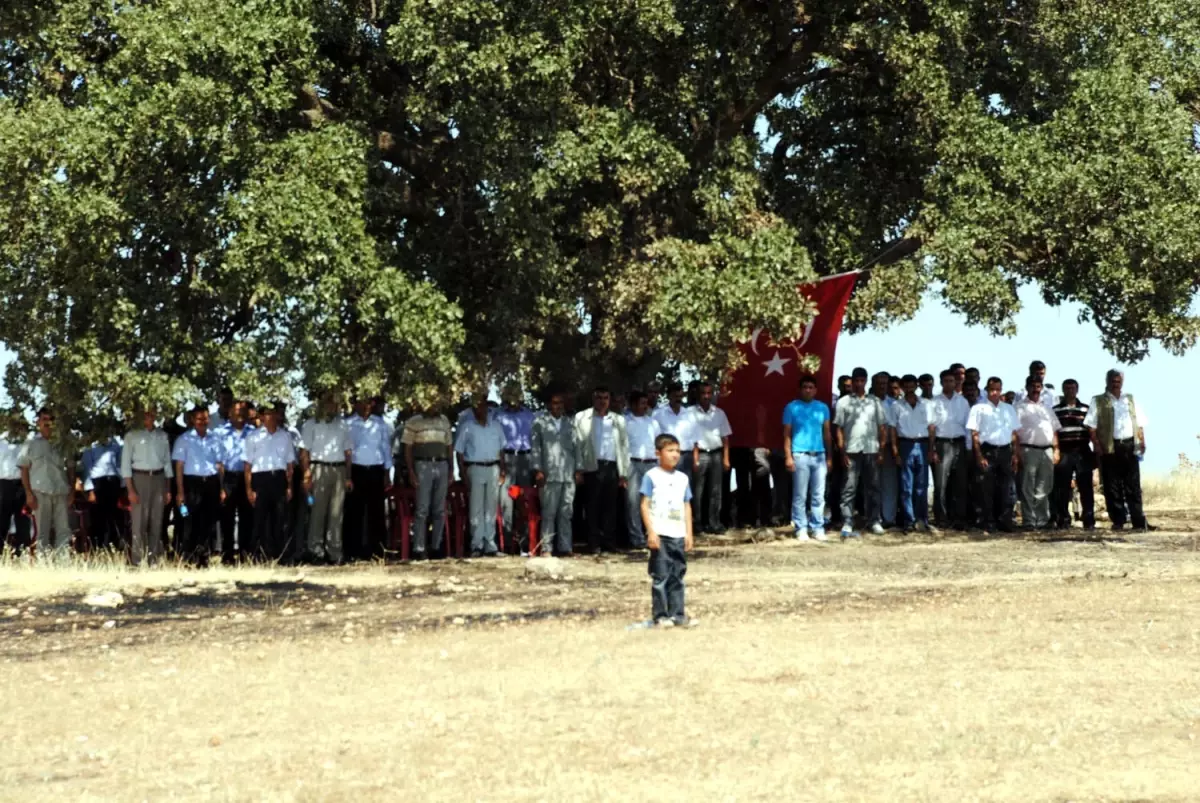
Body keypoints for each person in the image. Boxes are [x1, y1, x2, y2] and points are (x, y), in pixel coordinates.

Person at [1084, 369, 1153, 532]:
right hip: (1110, 446)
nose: (1116, 384)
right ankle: (1118, 520)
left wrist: (1142, 441)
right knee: (1112, 486)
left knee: (1133, 485)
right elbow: (1091, 426)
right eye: (1113, 381)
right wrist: (1097, 445)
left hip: (1129, 445)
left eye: (1118, 381)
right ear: (1107, 382)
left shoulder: (1130, 399)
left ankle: (1138, 521)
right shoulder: (1098, 401)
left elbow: (1140, 422)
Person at [640, 433, 695, 627]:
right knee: (660, 575)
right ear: (658, 453)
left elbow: (686, 505)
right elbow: (644, 505)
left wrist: (689, 532)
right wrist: (651, 532)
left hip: (678, 533)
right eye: (670, 450)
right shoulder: (651, 476)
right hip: (660, 533)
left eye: (678, 451)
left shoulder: (682, 478)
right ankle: (661, 615)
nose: (675, 455)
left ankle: (677, 614)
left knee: (677, 575)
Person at [573, 386, 631, 554]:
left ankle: (609, 542)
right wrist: (579, 469)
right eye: (599, 398)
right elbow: (577, 445)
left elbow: (624, 446)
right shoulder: (582, 417)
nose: (602, 401)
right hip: (592, 466)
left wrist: (623, 472)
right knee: (592, 507)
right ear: (593, 398)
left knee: (610, 507)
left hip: (612, 466)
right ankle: (593, 543)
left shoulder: (618, 420)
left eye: (605, 398)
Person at [298, 392, 353, 564]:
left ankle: (335, 551)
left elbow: (348, 452)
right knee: (318, 511)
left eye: (335, 404)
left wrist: (348, 476)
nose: (332, 407)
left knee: (336, 513)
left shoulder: (343, 425)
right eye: (329, 403)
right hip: (318, 467)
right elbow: (304, 452)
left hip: (339, 468)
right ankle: (316, 550)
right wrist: (307, 475)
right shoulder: (311, 424)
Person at [833, 367, 887, 538]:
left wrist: (881, 450)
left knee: (873, 487)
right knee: (849, 488)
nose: (858, 383)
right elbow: (839, 429)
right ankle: (848, 521)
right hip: (851, 450)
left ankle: (874, 521)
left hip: (871, 449)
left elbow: (882, 427)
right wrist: (842, 452)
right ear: (852, 381)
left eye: (861, 380)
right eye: (855, 380)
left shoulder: (874, 402)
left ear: (866, 381)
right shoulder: (844, 402)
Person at [171, 407, 226, 566]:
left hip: (211, 482)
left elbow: (220, 464)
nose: (203, 422)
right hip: (191, 483)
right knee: (190, 521)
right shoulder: (184, 439)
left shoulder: (215, 439)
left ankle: (204, 557)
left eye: (206, 419)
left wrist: (222, 488)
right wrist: (180, 491)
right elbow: (179, 466)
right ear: (192, 420)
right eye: (199, 419)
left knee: (208, 522)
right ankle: (188, 556)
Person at [18, 408, 73, 562]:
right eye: (44, 419)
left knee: (63, 530)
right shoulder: (30, 443)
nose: (47, 422)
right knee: (42, 530)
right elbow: (24, 469)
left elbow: (71, 467)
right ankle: (43, 563)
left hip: (61, 491)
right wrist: (28, 494)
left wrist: (72, 491)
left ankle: (64, 563)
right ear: (38, 422)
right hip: (39, 492)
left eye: (51, 419)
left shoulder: (62, 443)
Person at [455, 393, 507, 556]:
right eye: (478, 406)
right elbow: (459, 452)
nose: (482, 409)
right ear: (473, 409)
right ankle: (476, 545)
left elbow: (502, 450)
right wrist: (463, 474)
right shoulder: (467, 426)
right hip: (475, 467)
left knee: (491, 507)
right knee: (476, 507)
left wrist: (503, 470)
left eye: (484, 406)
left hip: (493, 467)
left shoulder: (496, 426)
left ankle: (490, 545)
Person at [121, 405, 173, 565]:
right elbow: (125, 465)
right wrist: (130, 489)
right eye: (146, 413)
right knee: (139, 522)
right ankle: (137, 560)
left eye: (152, 413)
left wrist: (168, 489)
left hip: (158, 478)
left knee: (156, 521)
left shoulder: (162, 436)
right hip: (139, 478)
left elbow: (167, 463)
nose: (149, 416)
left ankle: (153, 559)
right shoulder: (132, 436)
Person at [966, 378, 1019, 535]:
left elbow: (1014, 433)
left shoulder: (1008, 409)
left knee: (1006, 488)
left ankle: (1005, 521)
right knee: (986, 488)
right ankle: (988, 522)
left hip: (1005, 450)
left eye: (998, 389)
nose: (995, 392)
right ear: (987, 390)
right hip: (987, 450)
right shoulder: (978, 408)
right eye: (992, 389)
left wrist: (1015, 454)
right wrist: (979, 455)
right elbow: (974, 433)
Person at [401, 400, 453, 560]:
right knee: (422, 509)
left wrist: (451, 469)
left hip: (442, 464)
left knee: (439, 509)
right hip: (422, 464)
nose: (435, 406)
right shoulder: (413, 422)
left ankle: (437, 547)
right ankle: (419, 547)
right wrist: (411, 471)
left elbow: (449, 446)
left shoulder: (444, 421)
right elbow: (408, 449)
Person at [783, 375, 832, 541]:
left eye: (811, 387)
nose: (808, 390)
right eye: (805, 387)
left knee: (819, 495)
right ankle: (800, 528)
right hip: (800, 455)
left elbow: (827, 434)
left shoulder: (822, 408)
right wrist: (788, 456)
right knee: (800, 495)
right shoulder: (791, 407)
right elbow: (787, 434)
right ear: (800, 389)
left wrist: (829, 456)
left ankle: (818, 527)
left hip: (819, 456)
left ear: (816, 390)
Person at [243, 406, 296, 560]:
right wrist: (249, 489)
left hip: (279, 478)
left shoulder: (285, 436)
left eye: (274, 413)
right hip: (260, 478)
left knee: (279, 518)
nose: (271, 417)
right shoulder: (253, 436)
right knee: (260, 519)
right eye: (267, 414)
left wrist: (289, 486)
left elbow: (290, 464)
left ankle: (278, 555)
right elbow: (247, 465)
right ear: (262, 416)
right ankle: (256, 555)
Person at [531, 391, 579, 556]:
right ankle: (546, 547)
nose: (557, 406)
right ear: (549, 405)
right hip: (549, 473)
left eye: (560, 403)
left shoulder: (570, 424)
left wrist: (578, 469)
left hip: (568, 473)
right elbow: (536, 448)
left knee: (566, 512)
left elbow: (577, 448)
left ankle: (565, 547)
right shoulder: (540, 423)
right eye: (554, 403)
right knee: (549, 512)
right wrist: (538, 470)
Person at [346, 396, 393, 560]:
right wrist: (348, 475)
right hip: (357, 470)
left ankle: (378, 551)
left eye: (369, 403)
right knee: (354, 512)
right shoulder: (349, 424)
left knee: (377, 512)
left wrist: (387, 472)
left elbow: (385, 447)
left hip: (376, 470)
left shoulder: (379, 424)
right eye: (363, 403)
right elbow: (347, 452)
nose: (367, 406)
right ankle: (354, 551)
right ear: (356, 404)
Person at [889, 375, 934, 533]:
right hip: (905, 444)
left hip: (922, 444)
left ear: (916, 386)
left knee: (922, 485)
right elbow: (892, 429)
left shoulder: (926, 404)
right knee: (906, 486)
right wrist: (895, 451)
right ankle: (909, 520)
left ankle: (922, 519)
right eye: (905, 386)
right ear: (902, 387)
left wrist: (931, 449)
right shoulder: (896, 406)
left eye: (912, 385)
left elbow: (931, 428)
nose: (909, 388)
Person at [1015, 376, 1061, 530]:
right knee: (1027, 486)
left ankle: (1041, 520)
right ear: (1027, 388)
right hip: (1028, 449)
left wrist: (1056, 450)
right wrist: (1017, 452)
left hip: (1047, 450)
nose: (1035, 389)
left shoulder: (1046, 408)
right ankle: (1028, 520)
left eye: (1038, 386)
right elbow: (1014, 432)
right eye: (1033, 386)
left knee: (1044, 486)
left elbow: (1054, 431)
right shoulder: (1019, 407)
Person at [495, 385, 536, 552]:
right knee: (506, 502)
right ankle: (507, 542)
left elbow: (535, 440)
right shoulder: (498, 416)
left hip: (525, 458)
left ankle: (525, 543)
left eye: (516, 395)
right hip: (506, 458)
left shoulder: (529, 415)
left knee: (525, 502)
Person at [929, 369, 971, 530]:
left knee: (960, 484)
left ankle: (959, 518)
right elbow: (931, 427)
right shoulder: (934, 402)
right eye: (945, 381)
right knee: (940, 484)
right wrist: (932, 449)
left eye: (951, 381)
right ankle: (941, 518)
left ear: (956, 383)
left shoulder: (963, 402)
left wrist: (967, 448)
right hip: (942, 444)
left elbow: (968, 427)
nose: (949, 384)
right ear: (941, 383)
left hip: (959, 444)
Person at [688, 382, 732, 535]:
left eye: (709, 393)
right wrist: (694, 458)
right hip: (700, 454)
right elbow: (691, 437)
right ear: (698, 395)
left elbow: (725, 437)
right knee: (698, 491)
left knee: (716, 490)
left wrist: (726, 458)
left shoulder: (719, 413)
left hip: (716, 454)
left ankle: (714, 522)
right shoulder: (690, 413)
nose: (706, 396)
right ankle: (697, 523)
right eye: (703, 393)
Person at [1052, 379, 1095, 530]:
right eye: (1067, 388)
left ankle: (1089, 520)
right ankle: (1063, 520)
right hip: (1064, 450)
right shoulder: (1055, 410)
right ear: (1063, 390)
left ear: (1077, 390)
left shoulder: (1085, 408)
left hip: (1082, 449)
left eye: (1073, 388)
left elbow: (1091, 429)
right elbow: (1054, 431)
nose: (1070, 391)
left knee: (1086, 486)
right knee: (1062, 487)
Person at [215, 400, 254, 563]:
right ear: (229, 412)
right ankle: (227, 555)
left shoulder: (253, 432)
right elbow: (218, 461)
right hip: (228, 477)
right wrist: (221, 486)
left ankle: (246, 554)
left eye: (243, 410)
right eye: (237, 410)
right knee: (227, 518)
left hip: (247, 477)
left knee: (247, 517)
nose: (240, 413)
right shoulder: (220, 432)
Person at [623, 391, 662, 548]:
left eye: (646, 403)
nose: (645, 406)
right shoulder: (625, 422)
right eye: (641, 403)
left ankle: (653, 534)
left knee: (653, 502)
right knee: (633, 502)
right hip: (633, 464)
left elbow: (659, 444)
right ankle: (636, 538)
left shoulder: (653, 423)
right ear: (632, 405)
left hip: (652, 464)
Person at [81, 432, 124, 550]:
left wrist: (123, 485)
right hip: (97, 483)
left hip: (113, 482)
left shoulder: (116, 443)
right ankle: (97, 548)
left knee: (114, 517)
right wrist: (90, 490)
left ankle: (114, 547)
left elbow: (120, 464)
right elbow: (87, 467)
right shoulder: (90, 444)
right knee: (97, 518)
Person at [870, 371, 899, 528]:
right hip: (871, 447)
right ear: (873, 385)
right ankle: (874, 519)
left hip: (889, 447)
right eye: (879, 384)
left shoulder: (893, 404)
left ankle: (889, 519)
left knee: (889, 484)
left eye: (885, 384)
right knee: (873, 484)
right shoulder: (868, 402)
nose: (882, 387)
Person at [0, 414, 31, 553]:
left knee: (23, 520)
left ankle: (22, 554)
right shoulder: (1, 441)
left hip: (22, 484)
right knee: (2, 521)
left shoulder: (27, 441)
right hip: (3, 485)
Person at [653, 383, 695, 475]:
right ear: (669, 396)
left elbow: (695, 438)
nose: (678, 399)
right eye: (675, 396)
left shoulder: (689, 414)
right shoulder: (658, 414)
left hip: (686, 456)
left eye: (680, 396)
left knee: (685, 486)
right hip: (667, 456)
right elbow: (654, 437)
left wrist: (695, 459)